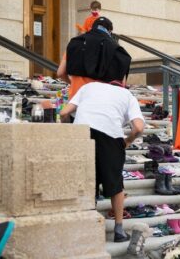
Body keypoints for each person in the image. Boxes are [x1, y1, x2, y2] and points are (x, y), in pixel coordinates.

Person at [60, 81, 145, 242]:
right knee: (116, 184)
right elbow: (139, 128)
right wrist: (128, 140)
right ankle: (119, 230)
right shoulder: (127, 95)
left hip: (82, 134)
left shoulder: (87, 87)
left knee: (85, 181)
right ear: (123, 83)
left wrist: (69, 132)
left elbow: (64, 113)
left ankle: (86, 227)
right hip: (111, 138)